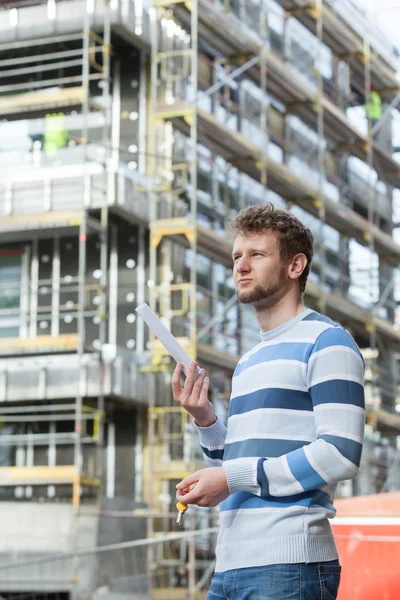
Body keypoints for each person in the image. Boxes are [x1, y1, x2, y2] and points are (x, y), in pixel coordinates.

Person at [172, 203, 365, 600]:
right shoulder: (248, 361)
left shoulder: (328, 342)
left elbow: (341, 454)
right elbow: (236, 465)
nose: (241, 266)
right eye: (236, 257)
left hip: (289, 565)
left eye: (257, 255)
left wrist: (230, 477)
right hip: (229, 565)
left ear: (295, 266)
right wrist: (206, 420)